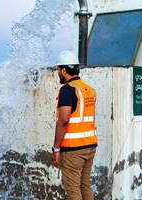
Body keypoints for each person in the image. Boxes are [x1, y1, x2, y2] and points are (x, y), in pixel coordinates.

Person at [51, 51, 98, 200]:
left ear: (64, 70)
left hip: (73, 149)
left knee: (73, 191)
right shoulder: (89, 90)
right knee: (85, 185)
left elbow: (63, 120)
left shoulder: (67, 90)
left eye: (59, 69)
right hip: (90, 145)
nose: (58, 72)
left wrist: (56, 148)